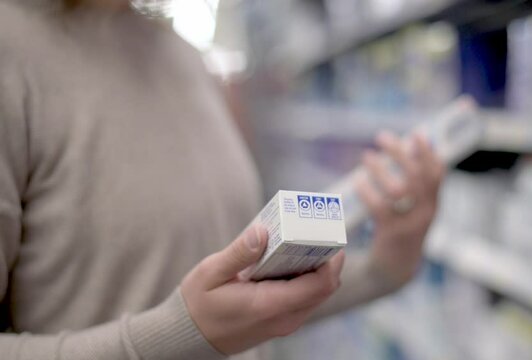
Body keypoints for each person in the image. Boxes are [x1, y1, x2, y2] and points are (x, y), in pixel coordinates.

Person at [0, 0, 444, 359]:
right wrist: (175, 336)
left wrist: (387, 266)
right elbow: (200, 328)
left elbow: (240, 312)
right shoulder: (13, 53)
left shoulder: (181, 54)